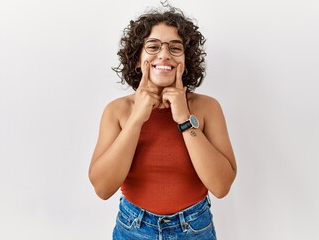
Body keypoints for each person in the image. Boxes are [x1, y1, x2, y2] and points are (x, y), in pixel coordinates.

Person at [88, 2, 237, 239]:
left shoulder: (207, 108)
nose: (165, 54)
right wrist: (137, 118)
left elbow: (221, 186)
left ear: (186, 60)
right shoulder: (117, 111)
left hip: (194, 228)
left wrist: (185, 120)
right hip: (133, 229)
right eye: (153, 46)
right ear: (138, 59)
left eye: (175, 48)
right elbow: (103, 189)